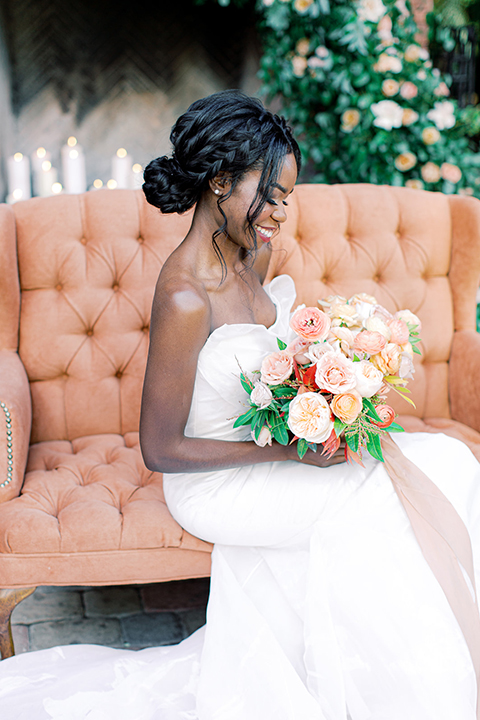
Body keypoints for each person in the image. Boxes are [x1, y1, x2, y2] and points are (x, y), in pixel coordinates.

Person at [0, 90, 479, 720]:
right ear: (221, 181)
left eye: (287, 196)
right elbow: (160, 449)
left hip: (269, 456)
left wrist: (324, 393)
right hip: (216, 485)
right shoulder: (184, 295)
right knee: (383, 506)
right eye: (271, 195)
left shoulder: (257, 254)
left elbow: (273, 364)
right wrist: (288, 449)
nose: (281, 212)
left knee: (447, 461)